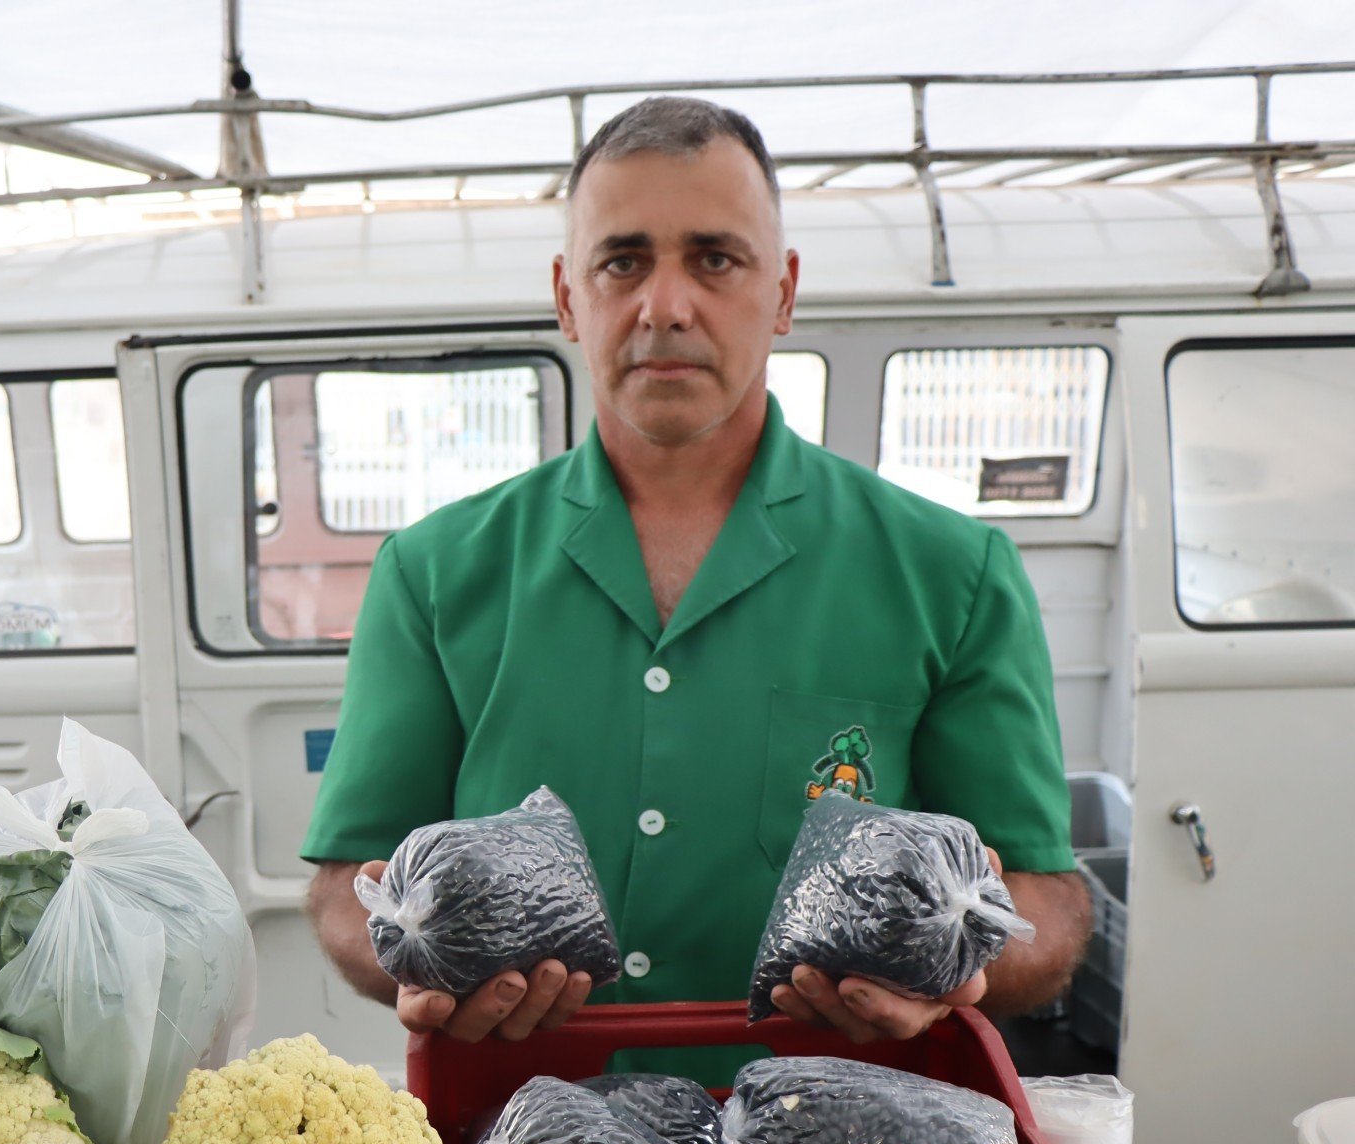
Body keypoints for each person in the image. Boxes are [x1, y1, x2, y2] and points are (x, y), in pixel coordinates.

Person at [297, 96, 1091, 1080]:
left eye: (715, 258)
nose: (665, 305)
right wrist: (408, 960)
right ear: (567, 295)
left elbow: (1046, 902)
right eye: (622, 260)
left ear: (785, 291)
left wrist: (962, 965)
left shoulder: (951, 573)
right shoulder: (434, 572)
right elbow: (347, 883)